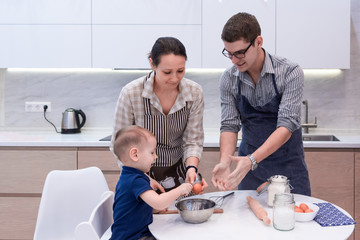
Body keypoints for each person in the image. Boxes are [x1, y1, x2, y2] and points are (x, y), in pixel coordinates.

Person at [211, 12, 311, 195]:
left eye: (240, 53)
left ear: (258, 42)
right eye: (229, 54)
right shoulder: (228, 79)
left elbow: (287, 125)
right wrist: (225, 161)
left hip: (289, 167)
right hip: (249, 172)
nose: (234, 60)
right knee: (248, 220)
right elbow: (229, 125)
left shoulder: (290, 72)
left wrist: (251, 160)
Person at [110, 37, 207, 193]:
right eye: (167, 72)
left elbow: (193, 140)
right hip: (140, 174)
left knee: (176, 215)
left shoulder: (194, 93)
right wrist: (144, 179)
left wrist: (191, 169)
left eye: (180, 71)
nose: (175, 78)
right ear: (152, 64)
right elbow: (118, 144)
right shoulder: (131, 93)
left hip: (178, 172)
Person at [110, 125, 192, 240]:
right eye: (152, 152)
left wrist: (154, 209)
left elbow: (136, 206)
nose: (156, 157)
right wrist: (180, 190)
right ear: (135, 155)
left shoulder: (130, 176)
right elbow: (159, 202)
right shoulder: (135, 180)